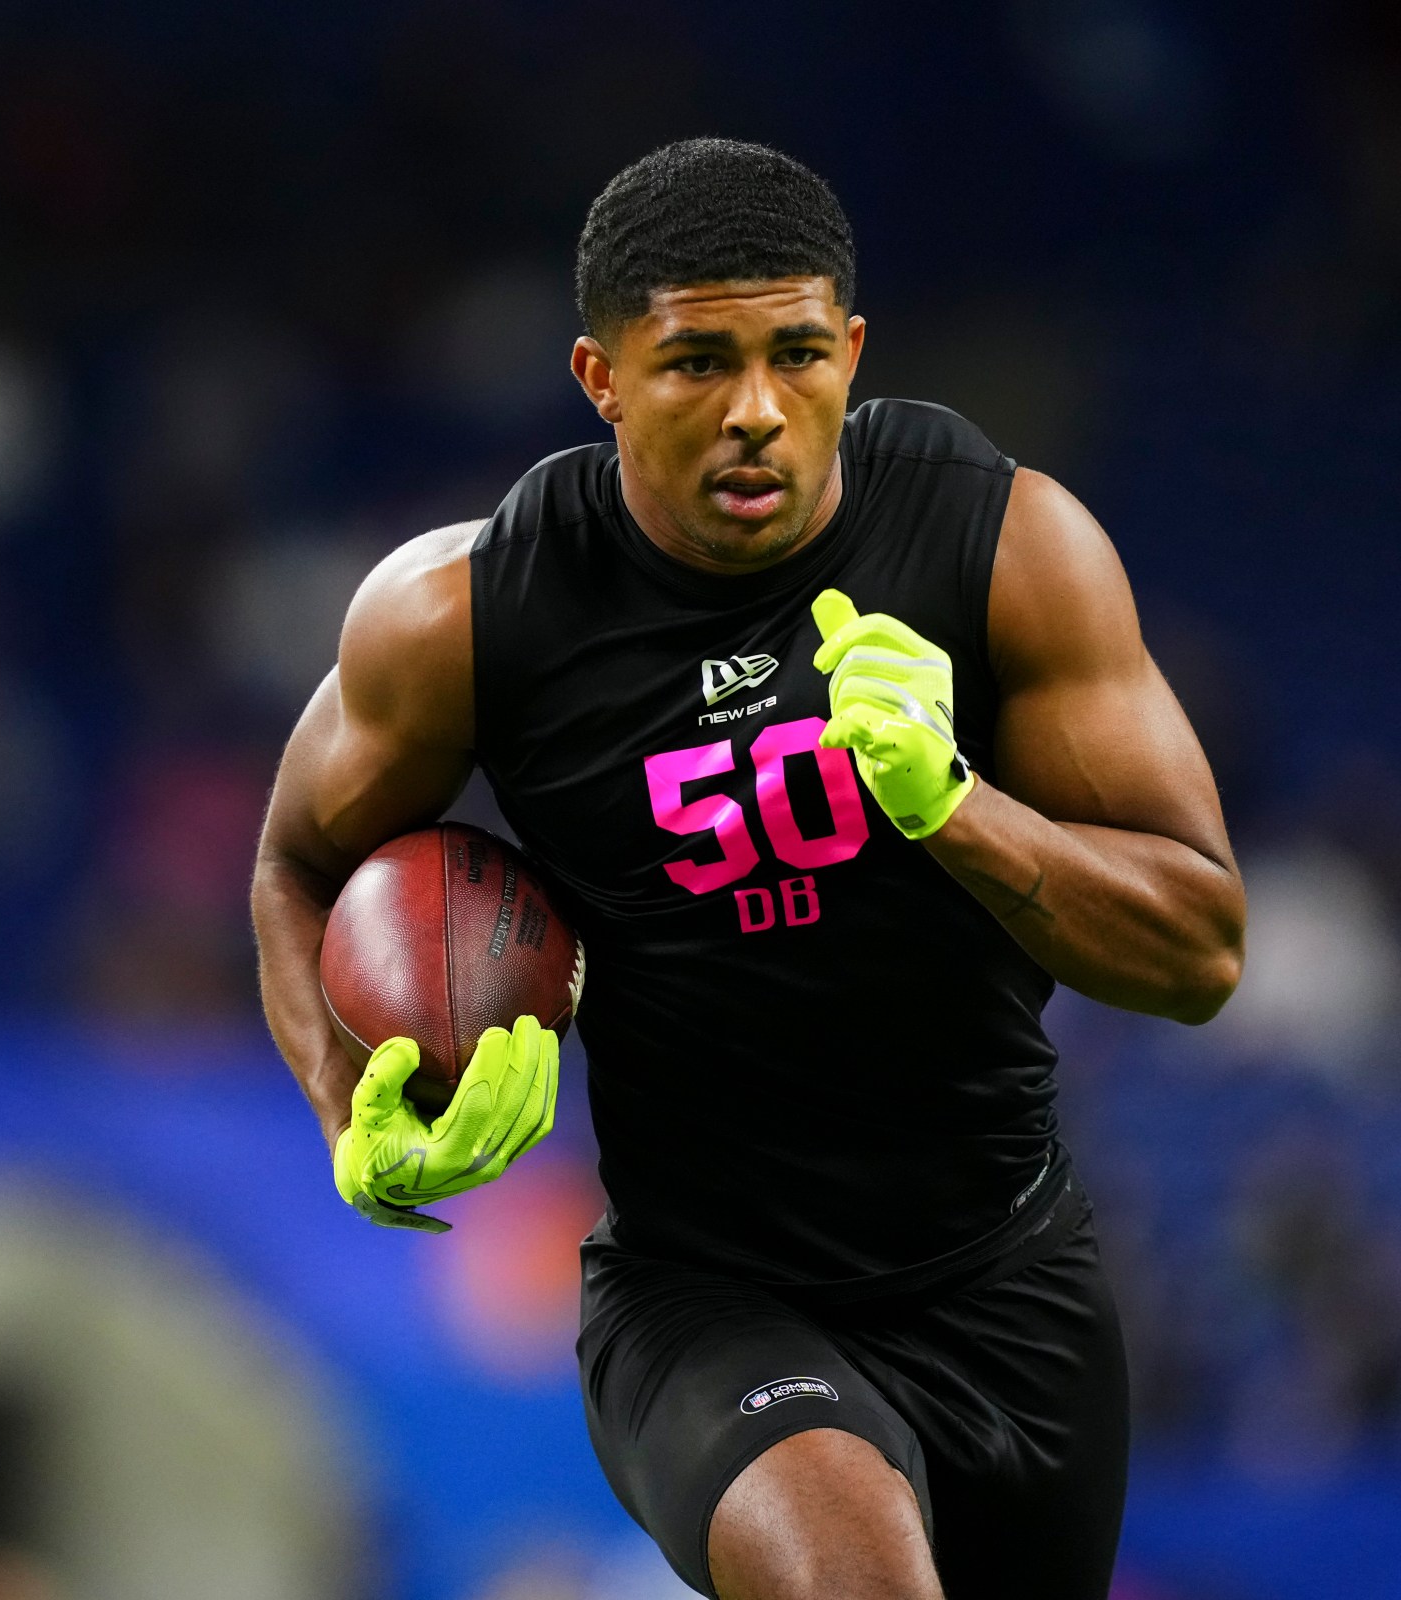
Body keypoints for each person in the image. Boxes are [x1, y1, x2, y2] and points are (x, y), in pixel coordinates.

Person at [252, 139, 1245, 1600]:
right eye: (697, 363)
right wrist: (353, 1107)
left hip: (1006, 1275)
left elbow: (1201, 957)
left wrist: (955, 803)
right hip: (706, 1298)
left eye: (795, 355)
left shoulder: (1002, 543)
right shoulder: (465, 612)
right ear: (599, 379)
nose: (758, 413)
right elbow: (293, 859)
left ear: (851, 351)